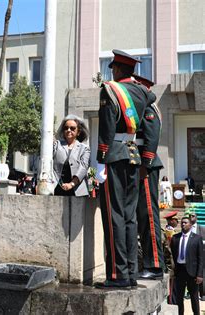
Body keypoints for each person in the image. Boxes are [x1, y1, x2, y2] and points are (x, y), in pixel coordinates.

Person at [95, 50, 153, 289]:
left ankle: (117, 275)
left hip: (115, 156)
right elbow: (152, 99)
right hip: (133, 156)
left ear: (117, 69)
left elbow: (107, 125)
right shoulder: (141, 91)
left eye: (112, 69)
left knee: (114, 215)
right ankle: (129, 271)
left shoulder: (110, 90)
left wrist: (101, 159)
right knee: (129, 218)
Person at [130, 74, 164, 281]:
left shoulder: (149, 108)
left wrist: (145, 164)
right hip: (139, 165)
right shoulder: (142, 107)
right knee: (140, 217)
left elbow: (151, 139)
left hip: (145, 166)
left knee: (148, 215)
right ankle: (147, 264)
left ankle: (155, 266)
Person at [171, 217, 203, 315]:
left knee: (194, 297)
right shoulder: (175, 238)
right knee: (179, 297)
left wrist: (200, 275)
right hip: (179, 271)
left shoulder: (197, 238)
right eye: (182, 223)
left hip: (192, 272)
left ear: (190, 225)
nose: (183, 224)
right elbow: (172, 254)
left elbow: (201, 258)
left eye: (185, 223)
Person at [53, 114, 91, 196]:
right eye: (66, 128)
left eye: (72, 128)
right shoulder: (56, 145)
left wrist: (72, 184)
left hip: (77, 190)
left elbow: (83, 167)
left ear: (78, 132)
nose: (69, 130)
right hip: (57, 188)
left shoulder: (84, 148)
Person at [163, 210, 179, 304]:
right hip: (171, 261)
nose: (177, 222)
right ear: (170, 221)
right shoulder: (170, 231)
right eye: (175, 220)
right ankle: (171, 302)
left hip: (172, 260)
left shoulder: (170, 230)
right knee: (171, 284)